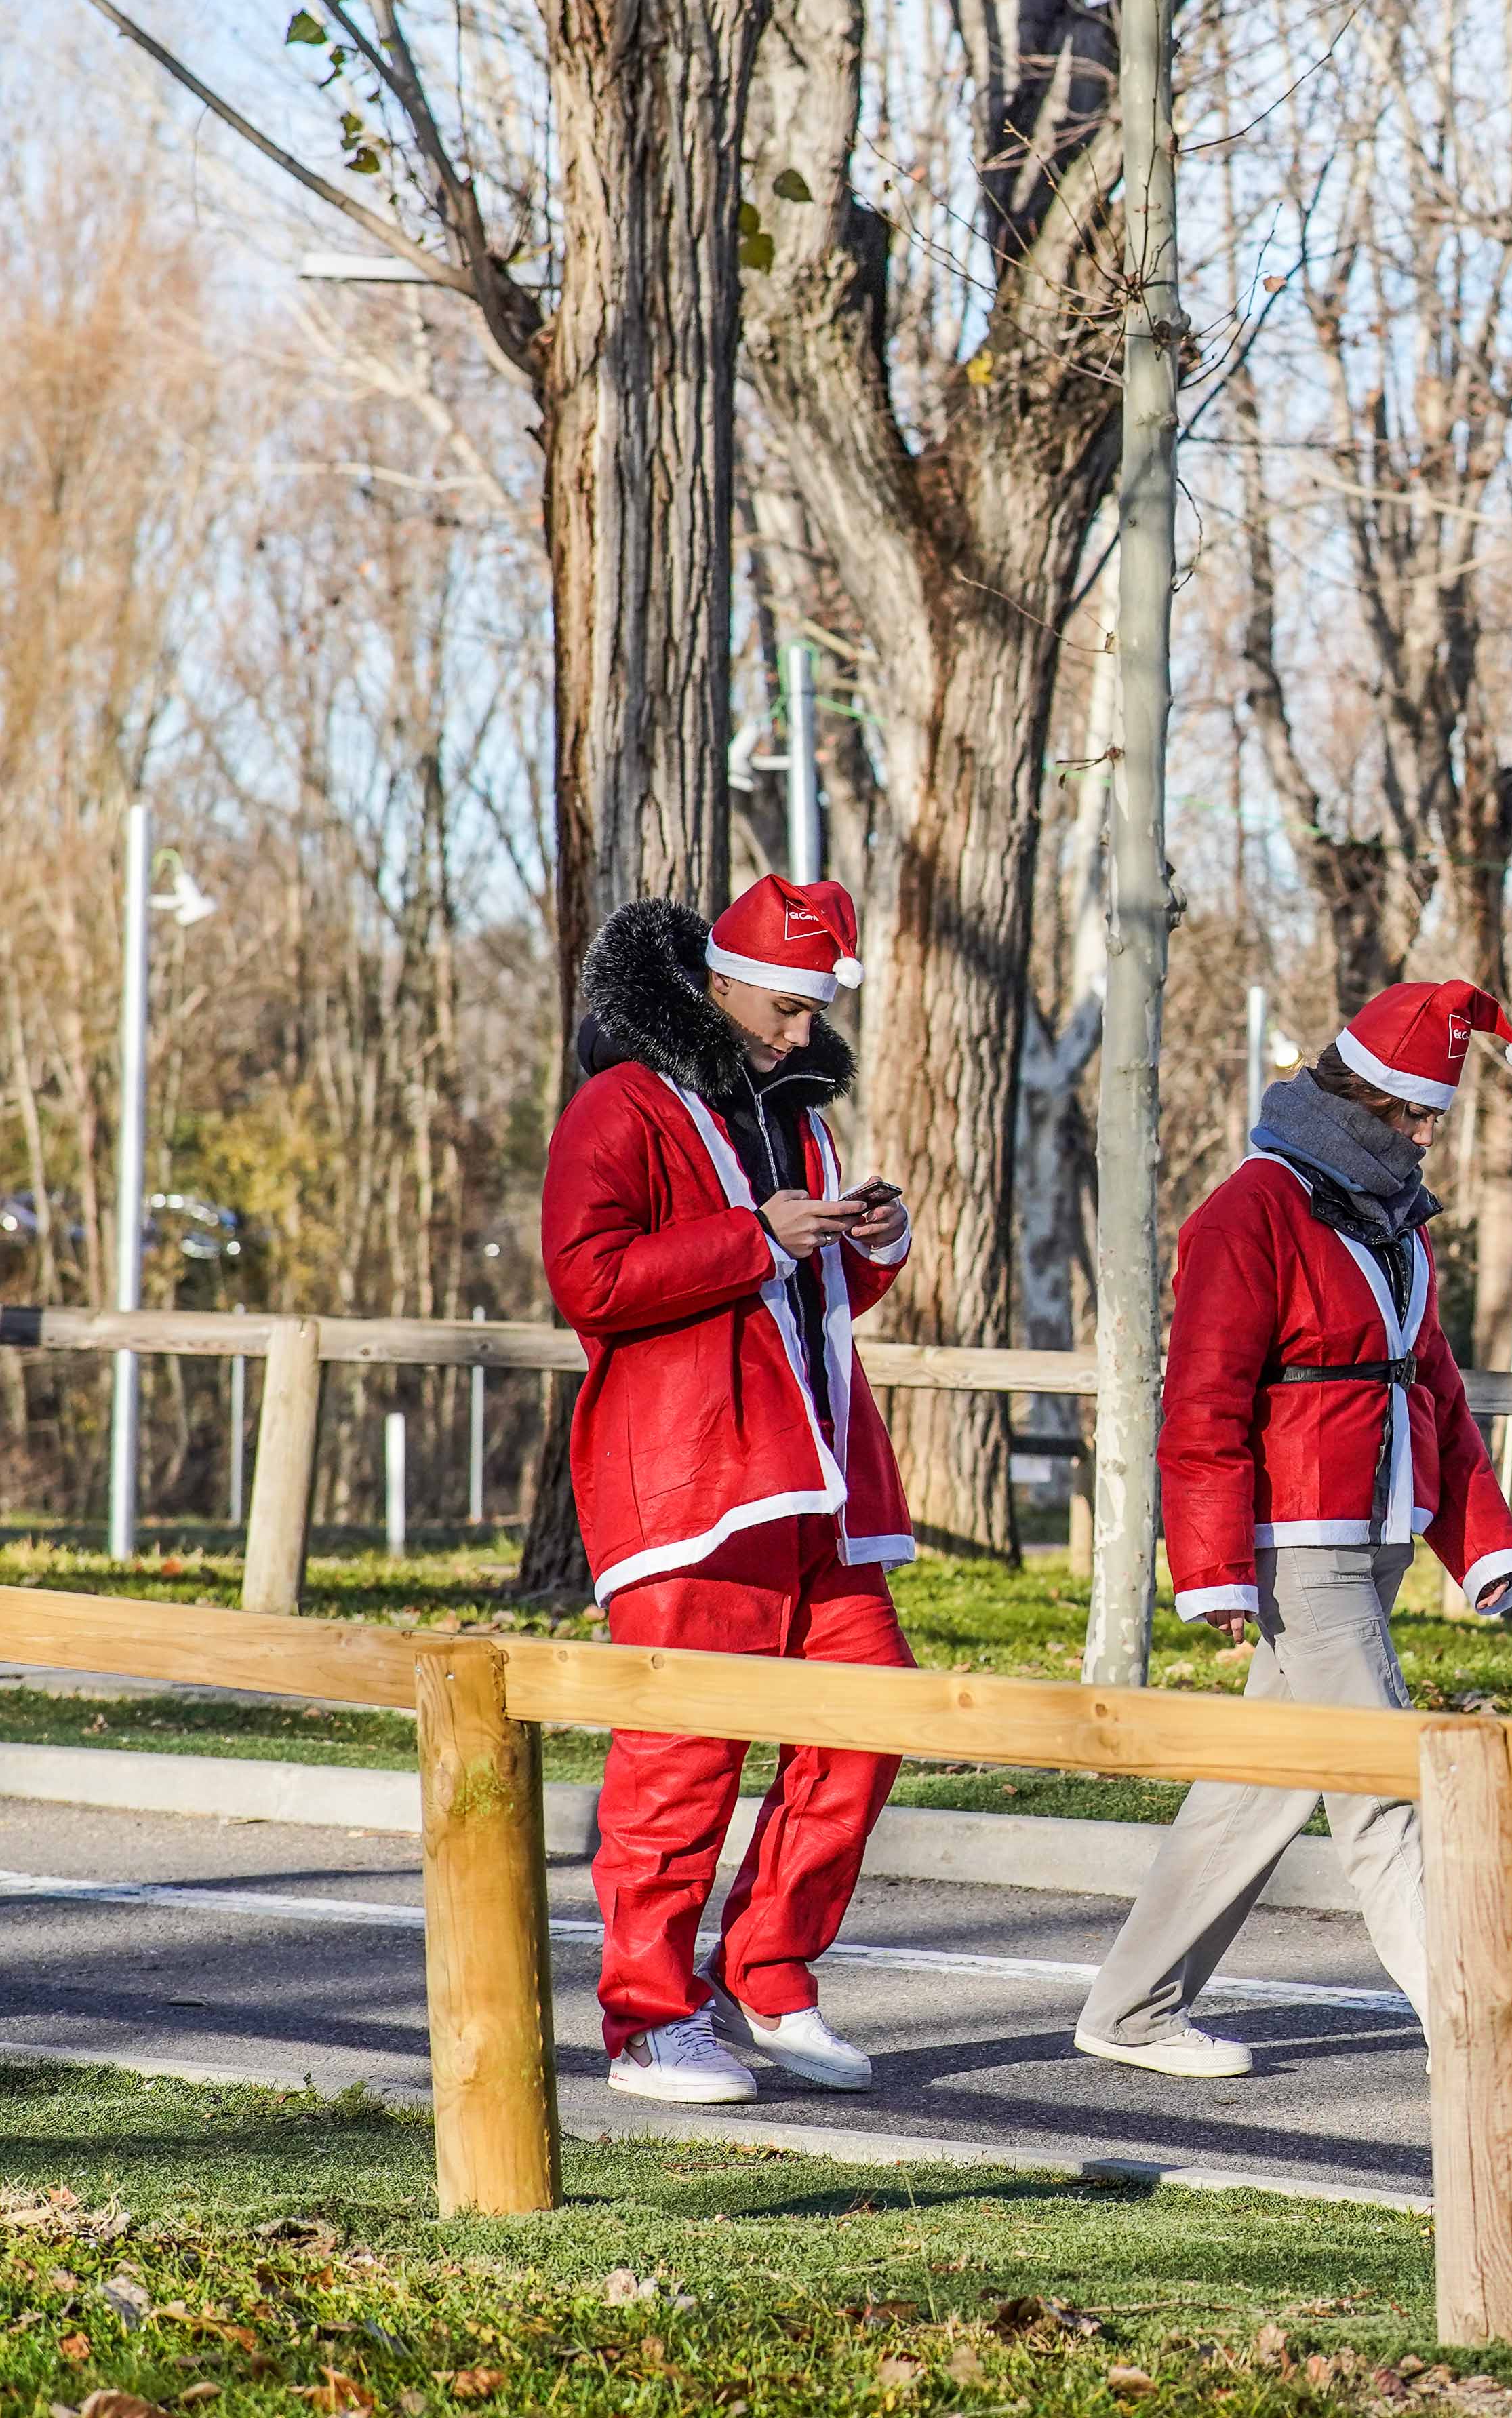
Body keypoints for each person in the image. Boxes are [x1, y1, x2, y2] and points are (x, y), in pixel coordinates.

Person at [1075, 980, 1512, 2080]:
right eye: (1416, 1116)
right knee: (1386, 1778)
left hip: (1379, 1527)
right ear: (1364, 1101)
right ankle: (1481, 2022)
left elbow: (1429, 1382)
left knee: (1261, 1785)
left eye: (1436, 1116)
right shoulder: (1246, 1212)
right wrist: (1209, 1566)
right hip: (1299, 1543)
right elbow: (1202, 1402)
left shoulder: (1396, 1222)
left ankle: (1131, 2011)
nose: (1431, 1135)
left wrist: (1480, 1540)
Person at [541, 876, 918, 2107]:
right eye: (784, 1007)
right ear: (717, 981)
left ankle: (769, 1972)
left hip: (814, 1481)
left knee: (870, 1717)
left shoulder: (793, 1113)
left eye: (815, 1014)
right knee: (682, 1753)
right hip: (690, 1485)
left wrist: (864, 1242)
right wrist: (759, 1234)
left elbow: (807, 1296)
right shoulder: (617, 1105)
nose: (800, 1035)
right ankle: (649, 2019)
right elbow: (590, 1282)